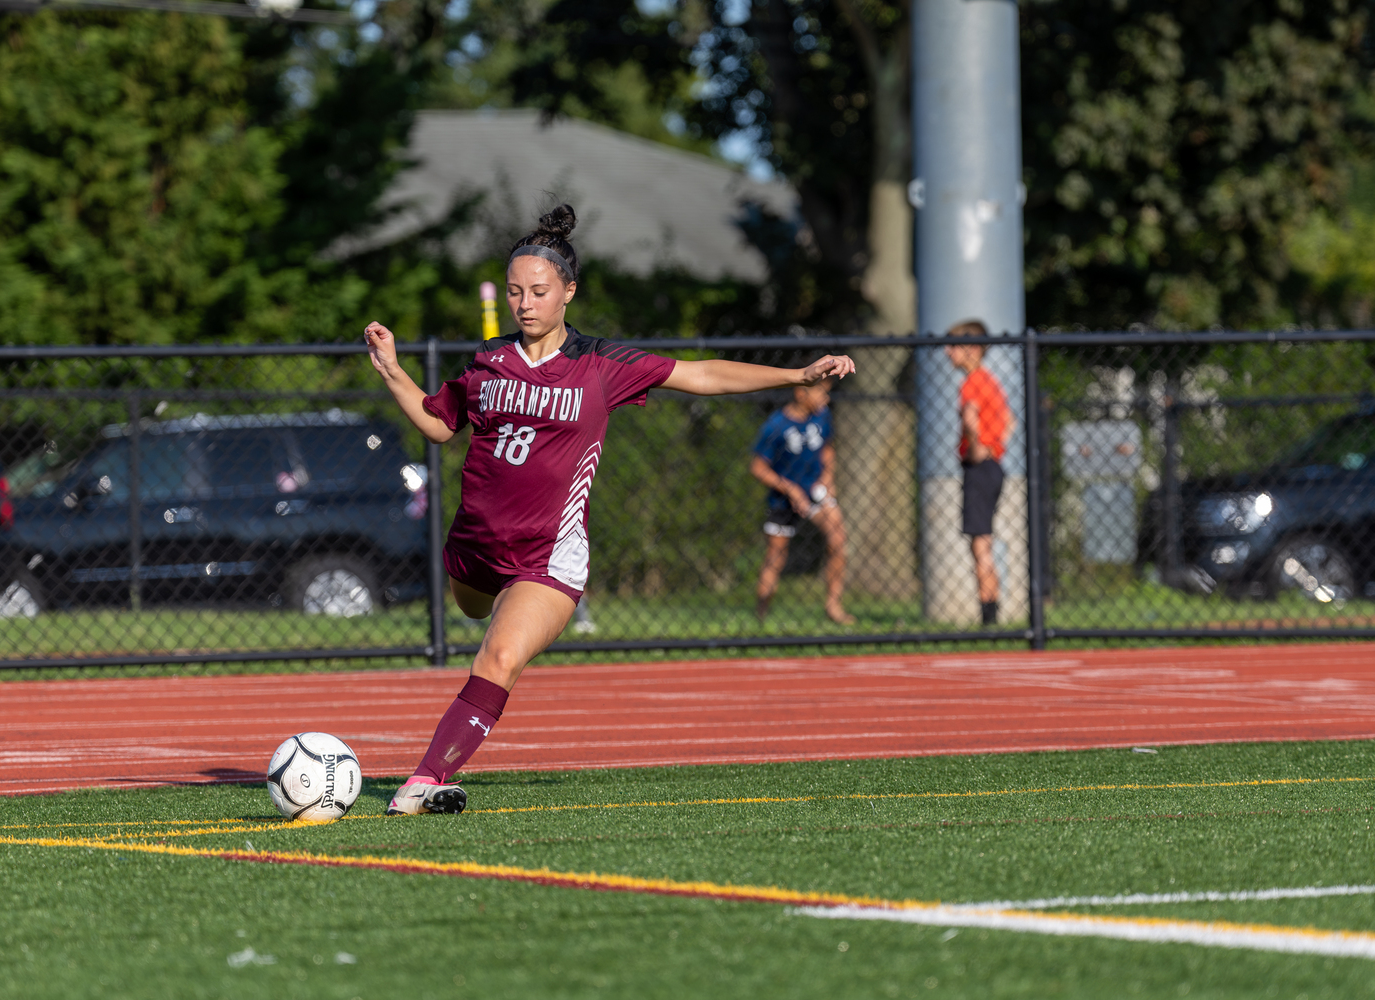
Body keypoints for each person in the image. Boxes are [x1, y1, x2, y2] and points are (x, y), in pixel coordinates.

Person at [364, 204, 856, 815]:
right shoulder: (488, 360)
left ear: (569, 292)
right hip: (474, 547)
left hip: (547, 556)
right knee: (474, 610)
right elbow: (439, 426)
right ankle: (475, 631)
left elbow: (701, 374)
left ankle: (422, 782)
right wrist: (391, 369)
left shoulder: (601, 365)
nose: (525, 303)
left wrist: (794, 373)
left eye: (539, 291)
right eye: (516, 291)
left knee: (499, 655)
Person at [749, 380, 854, 625]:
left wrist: (827, 478)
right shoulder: (776, 426)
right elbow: (757, 467)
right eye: (820, 393)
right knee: (776, 554)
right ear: (800, 392)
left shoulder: (822, 417)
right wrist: (789, 489)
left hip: (815, 490)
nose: (825, 399)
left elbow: (827, 448)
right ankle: (761, 614)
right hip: (784, 498)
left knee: (838, 540)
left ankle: (833, 606)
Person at [945, 320, 1013, 625]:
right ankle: (991, 609)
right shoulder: (991, 381)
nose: (947, 352)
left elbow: (971, 419)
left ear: (972, 349)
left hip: (980, 467)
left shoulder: (971, 382)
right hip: (994, 466)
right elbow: (1009, 421)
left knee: (980, 543)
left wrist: (976, 447)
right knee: (983, 538)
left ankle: (989, 612)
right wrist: (996, 446)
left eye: (954, 346)